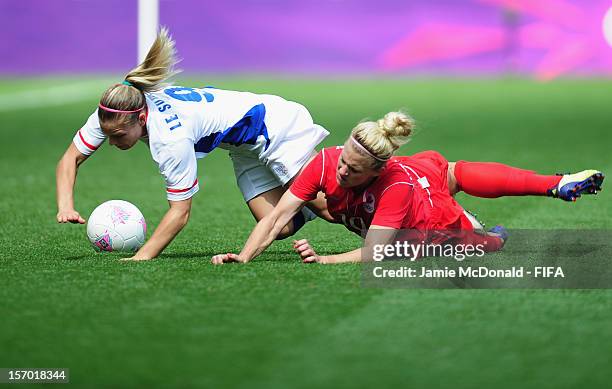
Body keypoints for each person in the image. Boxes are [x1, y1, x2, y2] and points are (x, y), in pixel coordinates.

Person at [55, 28, 331, 260]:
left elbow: (180, 213)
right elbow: (70, 158)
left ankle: (367, 211)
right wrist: (65, 206)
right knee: (279, 226)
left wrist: (142, 255)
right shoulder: (112, 112)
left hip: (274, 126)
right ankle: (307, 187)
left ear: (141, 119)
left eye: (117, 137)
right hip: (243, 146)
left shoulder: (170, 139)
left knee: (329, 209)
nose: (112, 143)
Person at [211, 111, 605, 264]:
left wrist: (326, 260)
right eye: (344, 161)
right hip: (414, 175)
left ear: (377, 171)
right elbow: (279, 213)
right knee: (451, 170)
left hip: (429, 218)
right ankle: (555, 184)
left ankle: (488, 234)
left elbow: (377, 251)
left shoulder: (393, 185)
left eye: (354, 169)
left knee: (468, 239)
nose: (343, 170)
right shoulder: (328, 160)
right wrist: (244, 256)